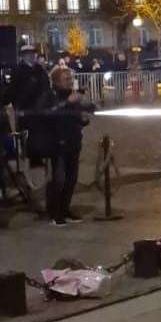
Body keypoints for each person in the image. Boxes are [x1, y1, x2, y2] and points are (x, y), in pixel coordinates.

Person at [43, 65, 94, 226]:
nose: (70, 82)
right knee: (59, 180)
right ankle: (55, 213)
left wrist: (84, 118)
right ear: (56, 81)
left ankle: (65, 209)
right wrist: (67, 102)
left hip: (73, 141)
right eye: (66, 79)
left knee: (71, 179)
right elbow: (49, 113)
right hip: (57, 143)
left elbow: (76, 117)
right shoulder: (50, 96)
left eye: (70, 79)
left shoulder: (72, 96)